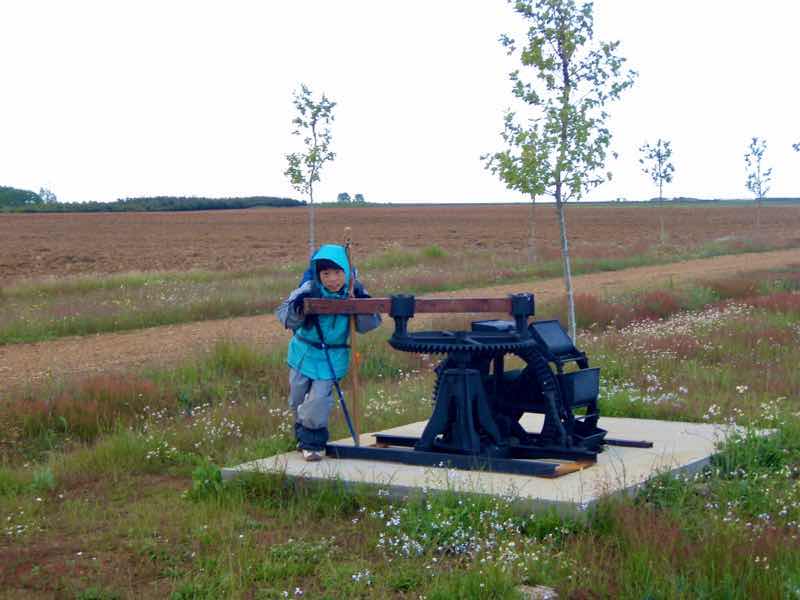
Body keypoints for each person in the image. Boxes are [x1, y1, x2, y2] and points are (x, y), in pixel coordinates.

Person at [275, 244, 381, 461]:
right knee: (297, 399)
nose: (333, 279)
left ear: (346, 271)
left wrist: (361, 304)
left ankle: (313, 444)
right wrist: (300, 309)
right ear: (318, 274)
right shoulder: (307, 290)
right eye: (326, 274)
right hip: (303, 353)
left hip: (333, 356)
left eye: (338, 272)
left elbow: (367, 326)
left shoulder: (355, 291)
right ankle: (302, 435)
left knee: (318, 400)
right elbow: (286, 318)